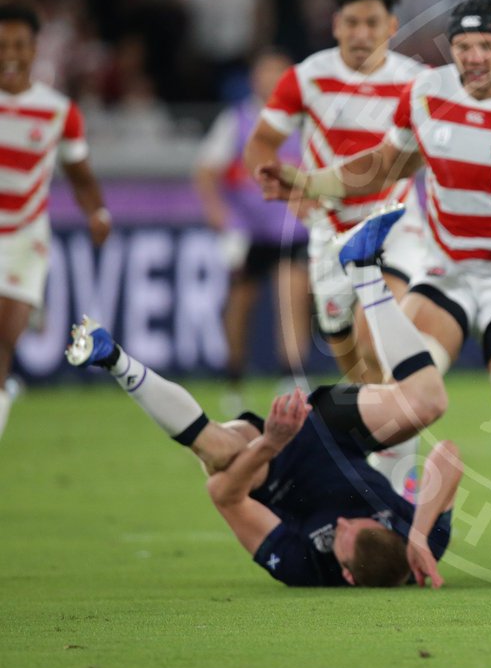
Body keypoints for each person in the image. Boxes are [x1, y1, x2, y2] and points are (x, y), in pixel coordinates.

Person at [256, 0, 491, 485]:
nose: (475, 56)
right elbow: (385, 164)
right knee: (400, 393)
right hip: (446, 271)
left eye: (486, 45)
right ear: (451, 48)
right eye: (464, 45)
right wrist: (312, 183)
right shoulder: (426, 93)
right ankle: (374, 497)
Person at [65, 208, 459, 588]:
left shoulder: (302, 567)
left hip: (272, 468)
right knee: (427, 402)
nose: (342, 521)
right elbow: (449, 456)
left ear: (347, 576)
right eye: (360, 523)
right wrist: (421, 536)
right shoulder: (410, 542)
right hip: (334, 434)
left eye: (339, 536)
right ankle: (363, 268)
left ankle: (112, 358)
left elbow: (223, 496)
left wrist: (272, 441)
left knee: (220, 456)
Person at [242, 0, 426, 387]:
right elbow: (261, 142)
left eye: (372, 23)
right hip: (329, 226)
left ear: (392, 26)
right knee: (350, 356)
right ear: (335, 25)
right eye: (352, 23)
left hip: (395, 221)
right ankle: (386, 432)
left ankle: (397, 433)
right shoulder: (307, 78)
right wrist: (281, 187)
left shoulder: (415, 82)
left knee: (371, 332)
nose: (361, 33)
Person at [0, 0, 110, 441]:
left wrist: (97, 212)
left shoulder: (59, 111)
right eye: (3, 44)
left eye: (20, 44)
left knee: (5, 336)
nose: (11, 52)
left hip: (26, 235)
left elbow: (80, 175)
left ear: (34, 49)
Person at [194, 50, 311, 411]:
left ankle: (291, 376)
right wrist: (221, 217)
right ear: (253, 80)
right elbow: (206, 171)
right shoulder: (237, 121)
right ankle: (234, 377)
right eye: (266, 74)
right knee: (240, 304)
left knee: (292, 298)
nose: (271, 81)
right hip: (247, 230)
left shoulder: (304, 123)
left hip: (291, 230)